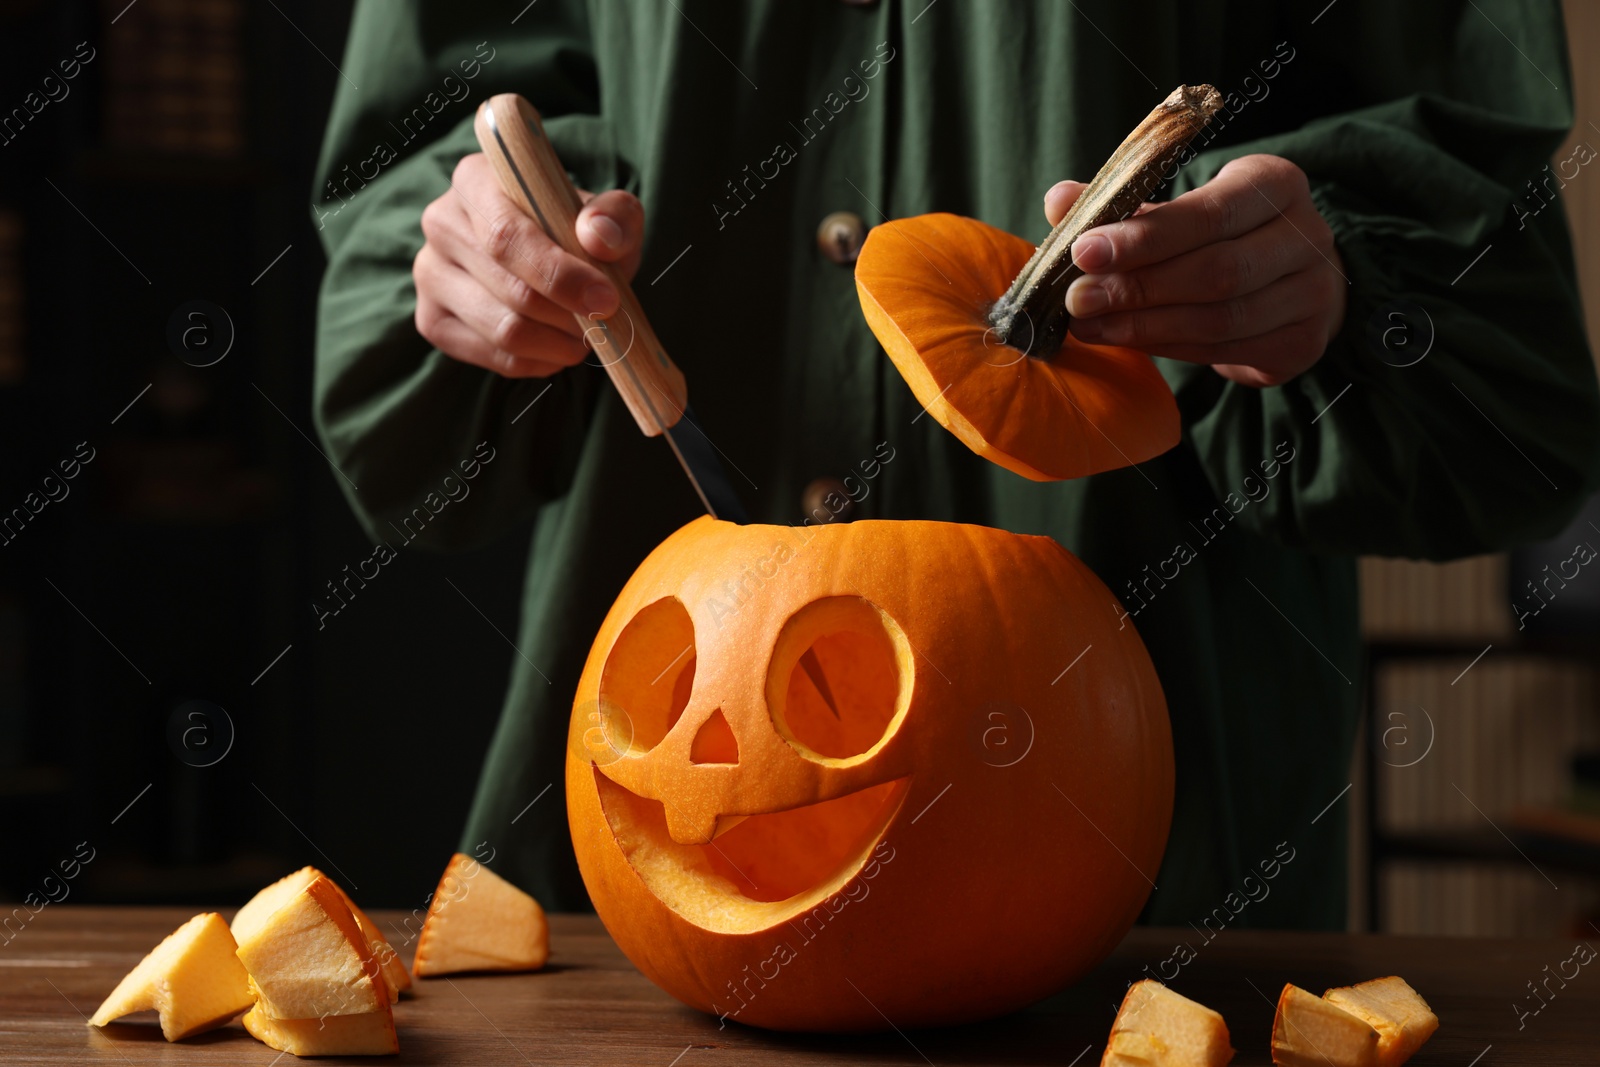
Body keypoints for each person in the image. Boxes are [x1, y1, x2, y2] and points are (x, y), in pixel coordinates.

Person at [312, 0, 1600, 929]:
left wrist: (1335, 280)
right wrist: (462, 249)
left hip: (1178, 896)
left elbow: (1508, 365)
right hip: (628, 928)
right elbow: (410, 178)